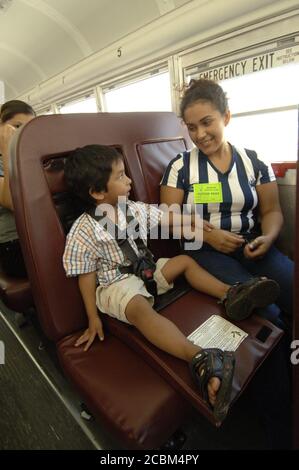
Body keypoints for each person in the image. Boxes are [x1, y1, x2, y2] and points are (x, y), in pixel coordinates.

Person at [62, 144, 280, 424]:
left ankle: (232, 294)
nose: (129, 181)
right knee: (140, 309)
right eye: (120, 176)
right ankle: (200, 357)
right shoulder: (83, 231)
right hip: (116, 284)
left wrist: (199, 224)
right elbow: (86, 275)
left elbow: (167, 217)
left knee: (185, 262)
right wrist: (93, 318)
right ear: (97, 192)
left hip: (146, 272)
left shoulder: (132, 209)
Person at [160, 78, 294, 328]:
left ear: (226, 117)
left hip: (251, 244)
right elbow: (169, 221)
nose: (199, 135)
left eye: (206, 122)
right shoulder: (180, 167)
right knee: (267, 312)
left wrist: (268, 237)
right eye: (191, 127)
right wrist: (207, 235)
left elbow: (272, 210)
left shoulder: (254, 162)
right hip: (203, 251)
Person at [0, 100, 36, 277]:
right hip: (13, 241)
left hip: (38, 229)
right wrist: (7, 150)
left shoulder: (33, 157)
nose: (22, 135)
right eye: (16, 127)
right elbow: (11, 202)